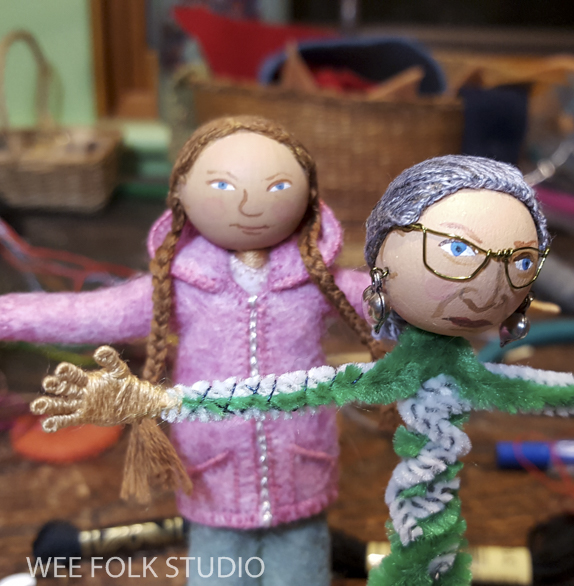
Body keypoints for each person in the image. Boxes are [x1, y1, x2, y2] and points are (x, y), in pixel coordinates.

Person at [33, 155, 574, 586]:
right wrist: (149, 399)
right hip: (314, 519)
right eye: (457, 251)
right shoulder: (373, 356)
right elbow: (273, 391)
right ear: (384, 262)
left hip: (429, 548)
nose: (487, 282)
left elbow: (569, 391)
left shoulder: (444, 361)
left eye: (520, 263)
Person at [5, 116, 376, 586]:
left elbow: (391, 302)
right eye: (222, 185)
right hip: (211, 473)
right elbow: (88, 313)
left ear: (309, 193)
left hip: (302, 464)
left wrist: (450, 302)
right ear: (181, 193)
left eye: (278, 186)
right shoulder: (180, 285)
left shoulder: (318, 281)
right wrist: (7, 315)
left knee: (301, 568)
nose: (248, 204)